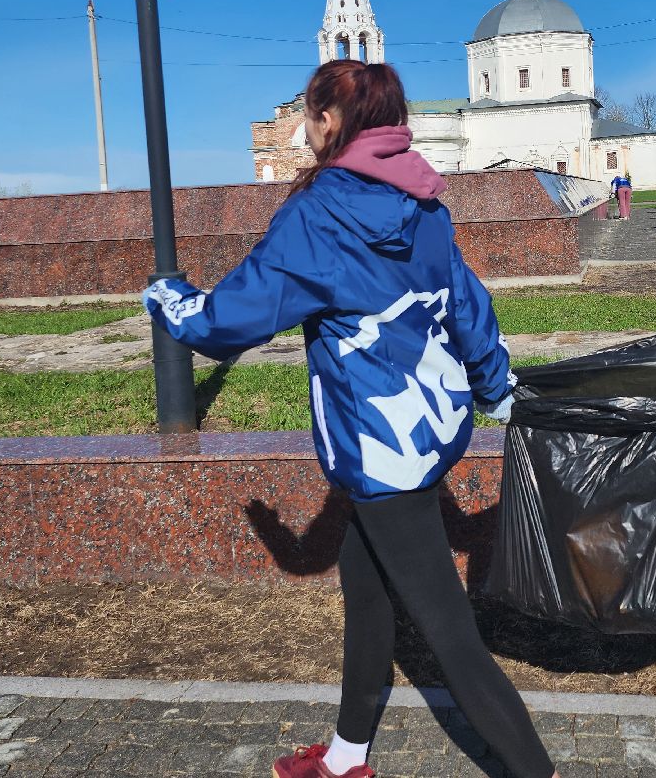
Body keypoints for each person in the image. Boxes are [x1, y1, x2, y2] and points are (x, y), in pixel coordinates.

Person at [143, 62, 558, 778]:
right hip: (428, 430)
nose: (303, 129)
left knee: (451, 635)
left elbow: (230, 320)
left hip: (380, 447)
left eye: (310, 114)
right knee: (368, 598)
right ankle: (344, 760)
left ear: (331, 121)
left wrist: (169, 300)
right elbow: (467, 303)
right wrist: (493, 385)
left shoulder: (319, 215)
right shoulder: (425, 199)